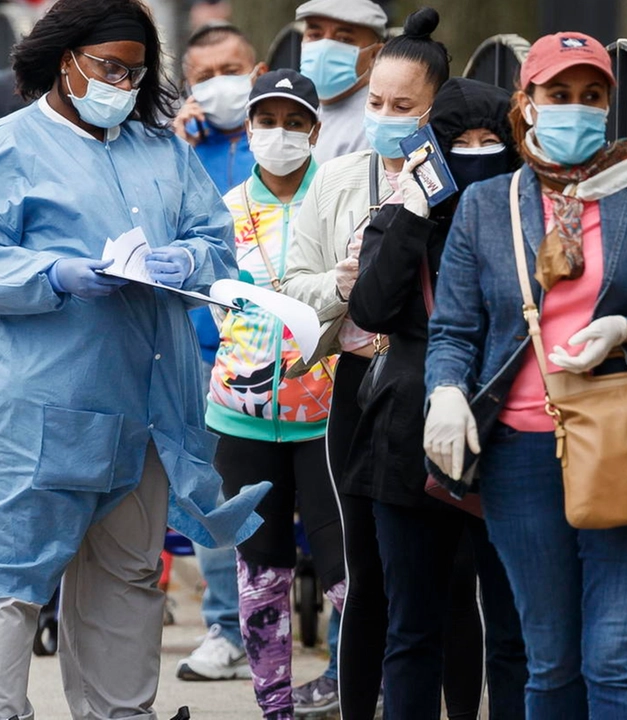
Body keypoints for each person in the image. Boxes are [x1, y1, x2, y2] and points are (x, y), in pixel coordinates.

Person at [0, 1, 265, 717]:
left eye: (136, 73)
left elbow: (217, 240)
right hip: (45, 409)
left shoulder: (160, 149)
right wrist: (51, 274)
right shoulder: (5, 148)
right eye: (109, 67)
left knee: (130, 578)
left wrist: (190, 256)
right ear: (65, 59)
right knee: (13, 577)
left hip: (148, 411)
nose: (122, 84)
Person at [423, 31, 627, 718]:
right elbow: (455, 328)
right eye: (559, 94)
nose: (576, 110)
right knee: (549, 662)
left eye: (592, 96)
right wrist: (444, 392)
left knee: (616, 662)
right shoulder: (486, 207)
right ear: (526, 103)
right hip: (519, 455)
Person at [347, 49, 531, 720]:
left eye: (492, 142)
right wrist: (417, 211)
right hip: (405, 439)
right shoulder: (404, 213)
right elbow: (369, 309)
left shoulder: (524, 221)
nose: (478, 154)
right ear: (434, 148)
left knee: (513, 632)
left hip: (509, 435)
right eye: (461, 142)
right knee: (412, 626)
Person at [188, 67, 347, 719]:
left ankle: (358, 687)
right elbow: (205, 308)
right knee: (260, 571)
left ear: (315, 129)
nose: (277, 134)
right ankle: (273, 705)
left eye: (293, 122)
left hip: (329, 417)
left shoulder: (337, 199)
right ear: (248, 127)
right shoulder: (223, 211)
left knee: (345, 571)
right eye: (265, 120)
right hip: (242, 418)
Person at [172, 21, 262, 690]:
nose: (221, 83)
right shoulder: (177, 151)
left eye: (233, 67)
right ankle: (225, 629)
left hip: (289, 346)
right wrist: (170, 142)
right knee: (210, 493)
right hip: (205, 349)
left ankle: (280, 625)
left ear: (256, 69)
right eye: (205, 75)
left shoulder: (282, 136)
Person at [172, 22, 262, 194]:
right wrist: (178, 150)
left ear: (258, 73)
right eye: (205, 77)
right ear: (188, 87)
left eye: (231, 72)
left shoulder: (277, 137)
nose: (219, 84)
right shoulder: (178, 143)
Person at [295, 0, 385, 163]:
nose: (324, 48)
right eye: (315, 35)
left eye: (344, 39)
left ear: (374, 54)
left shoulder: (376, 127)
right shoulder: (293, 107)